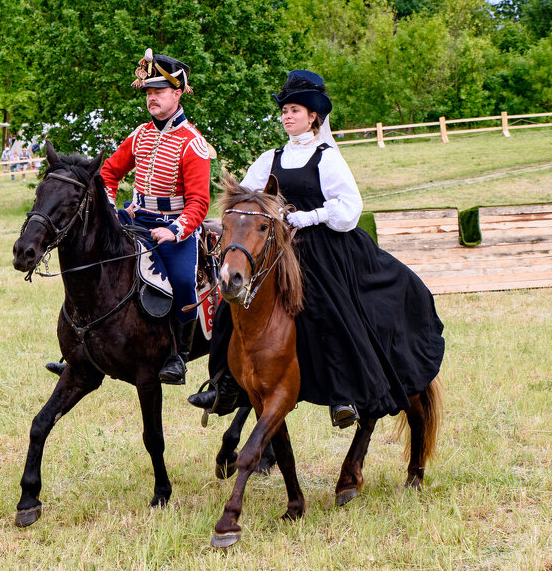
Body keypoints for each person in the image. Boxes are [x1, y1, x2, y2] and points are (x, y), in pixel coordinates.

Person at [188, 70, 445, 429]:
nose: (287, 116)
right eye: (284, 111)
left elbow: (350, 208)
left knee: (326, 305)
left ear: (313, 117)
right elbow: (245, 199)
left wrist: (310, 216)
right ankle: (224, 384)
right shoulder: (270, 158)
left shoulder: (327, 158)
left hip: (320, 246)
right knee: (234, 302)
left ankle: (342, 394)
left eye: (294, 110)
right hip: (275, 247)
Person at [46, 51, 211, 385]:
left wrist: (175, 230)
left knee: (182, 281)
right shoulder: (140, 134)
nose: (151, 97)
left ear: (177, 94)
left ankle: (178, 356)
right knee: (96, 269)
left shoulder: (193, 143)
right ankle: (82, 353)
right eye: (148, 92)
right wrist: (110, 211)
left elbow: (199, 202)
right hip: (134, 220)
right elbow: (107, 174)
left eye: (159, 91)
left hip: (173, 229)